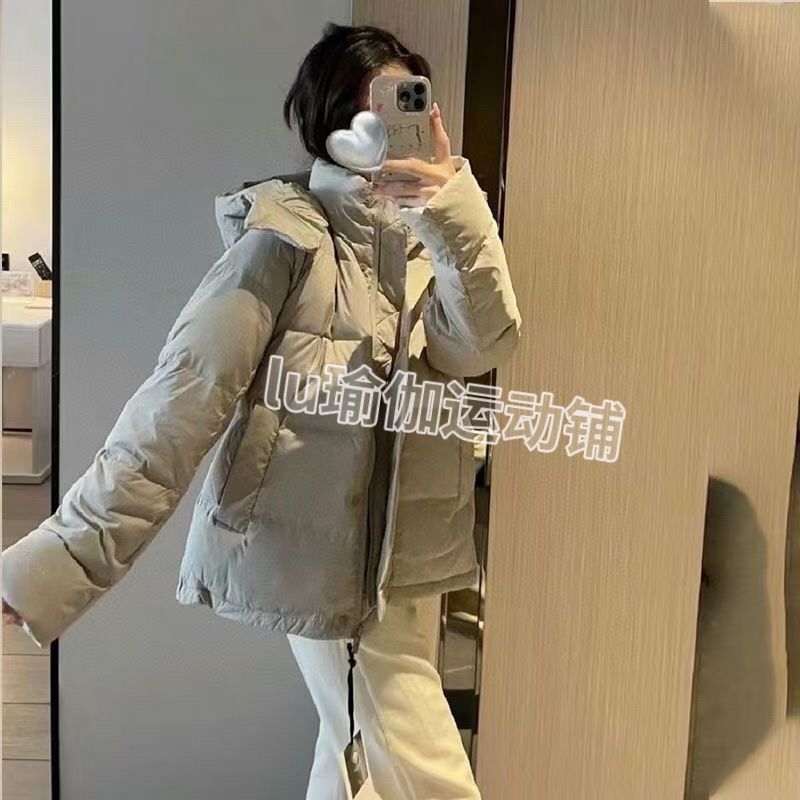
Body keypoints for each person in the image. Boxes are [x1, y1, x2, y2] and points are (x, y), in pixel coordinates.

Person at [2, 22, 521, 799]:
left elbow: (481, 345)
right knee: (431, 777)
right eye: (369, 106)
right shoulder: (282, 241)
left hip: (412, 568)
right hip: (327, 570)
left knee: (349, 764)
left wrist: (447, 204)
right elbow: (179, 402)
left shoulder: (429, 243)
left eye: (407, 102)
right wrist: (59, 561)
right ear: (329, 123)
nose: (388, 125)